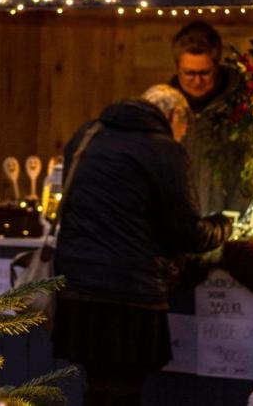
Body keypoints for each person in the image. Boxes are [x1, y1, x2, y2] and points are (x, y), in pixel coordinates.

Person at [52, 84, 233, 405]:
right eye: (183, 128)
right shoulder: (164, 149)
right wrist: (223, 225)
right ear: (174, 115)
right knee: (125, 391)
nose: (182, 135)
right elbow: (186, 233)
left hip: (77, 288)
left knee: (98, 387)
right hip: (130, 294)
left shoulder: (87, 135)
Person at [169, 21, 244, 214]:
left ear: (216, 67)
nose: (197, 81)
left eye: (204, 73)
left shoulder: (241, 110)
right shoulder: (164, 113)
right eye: (189, 73)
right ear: (177, 69)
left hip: (230, 226)